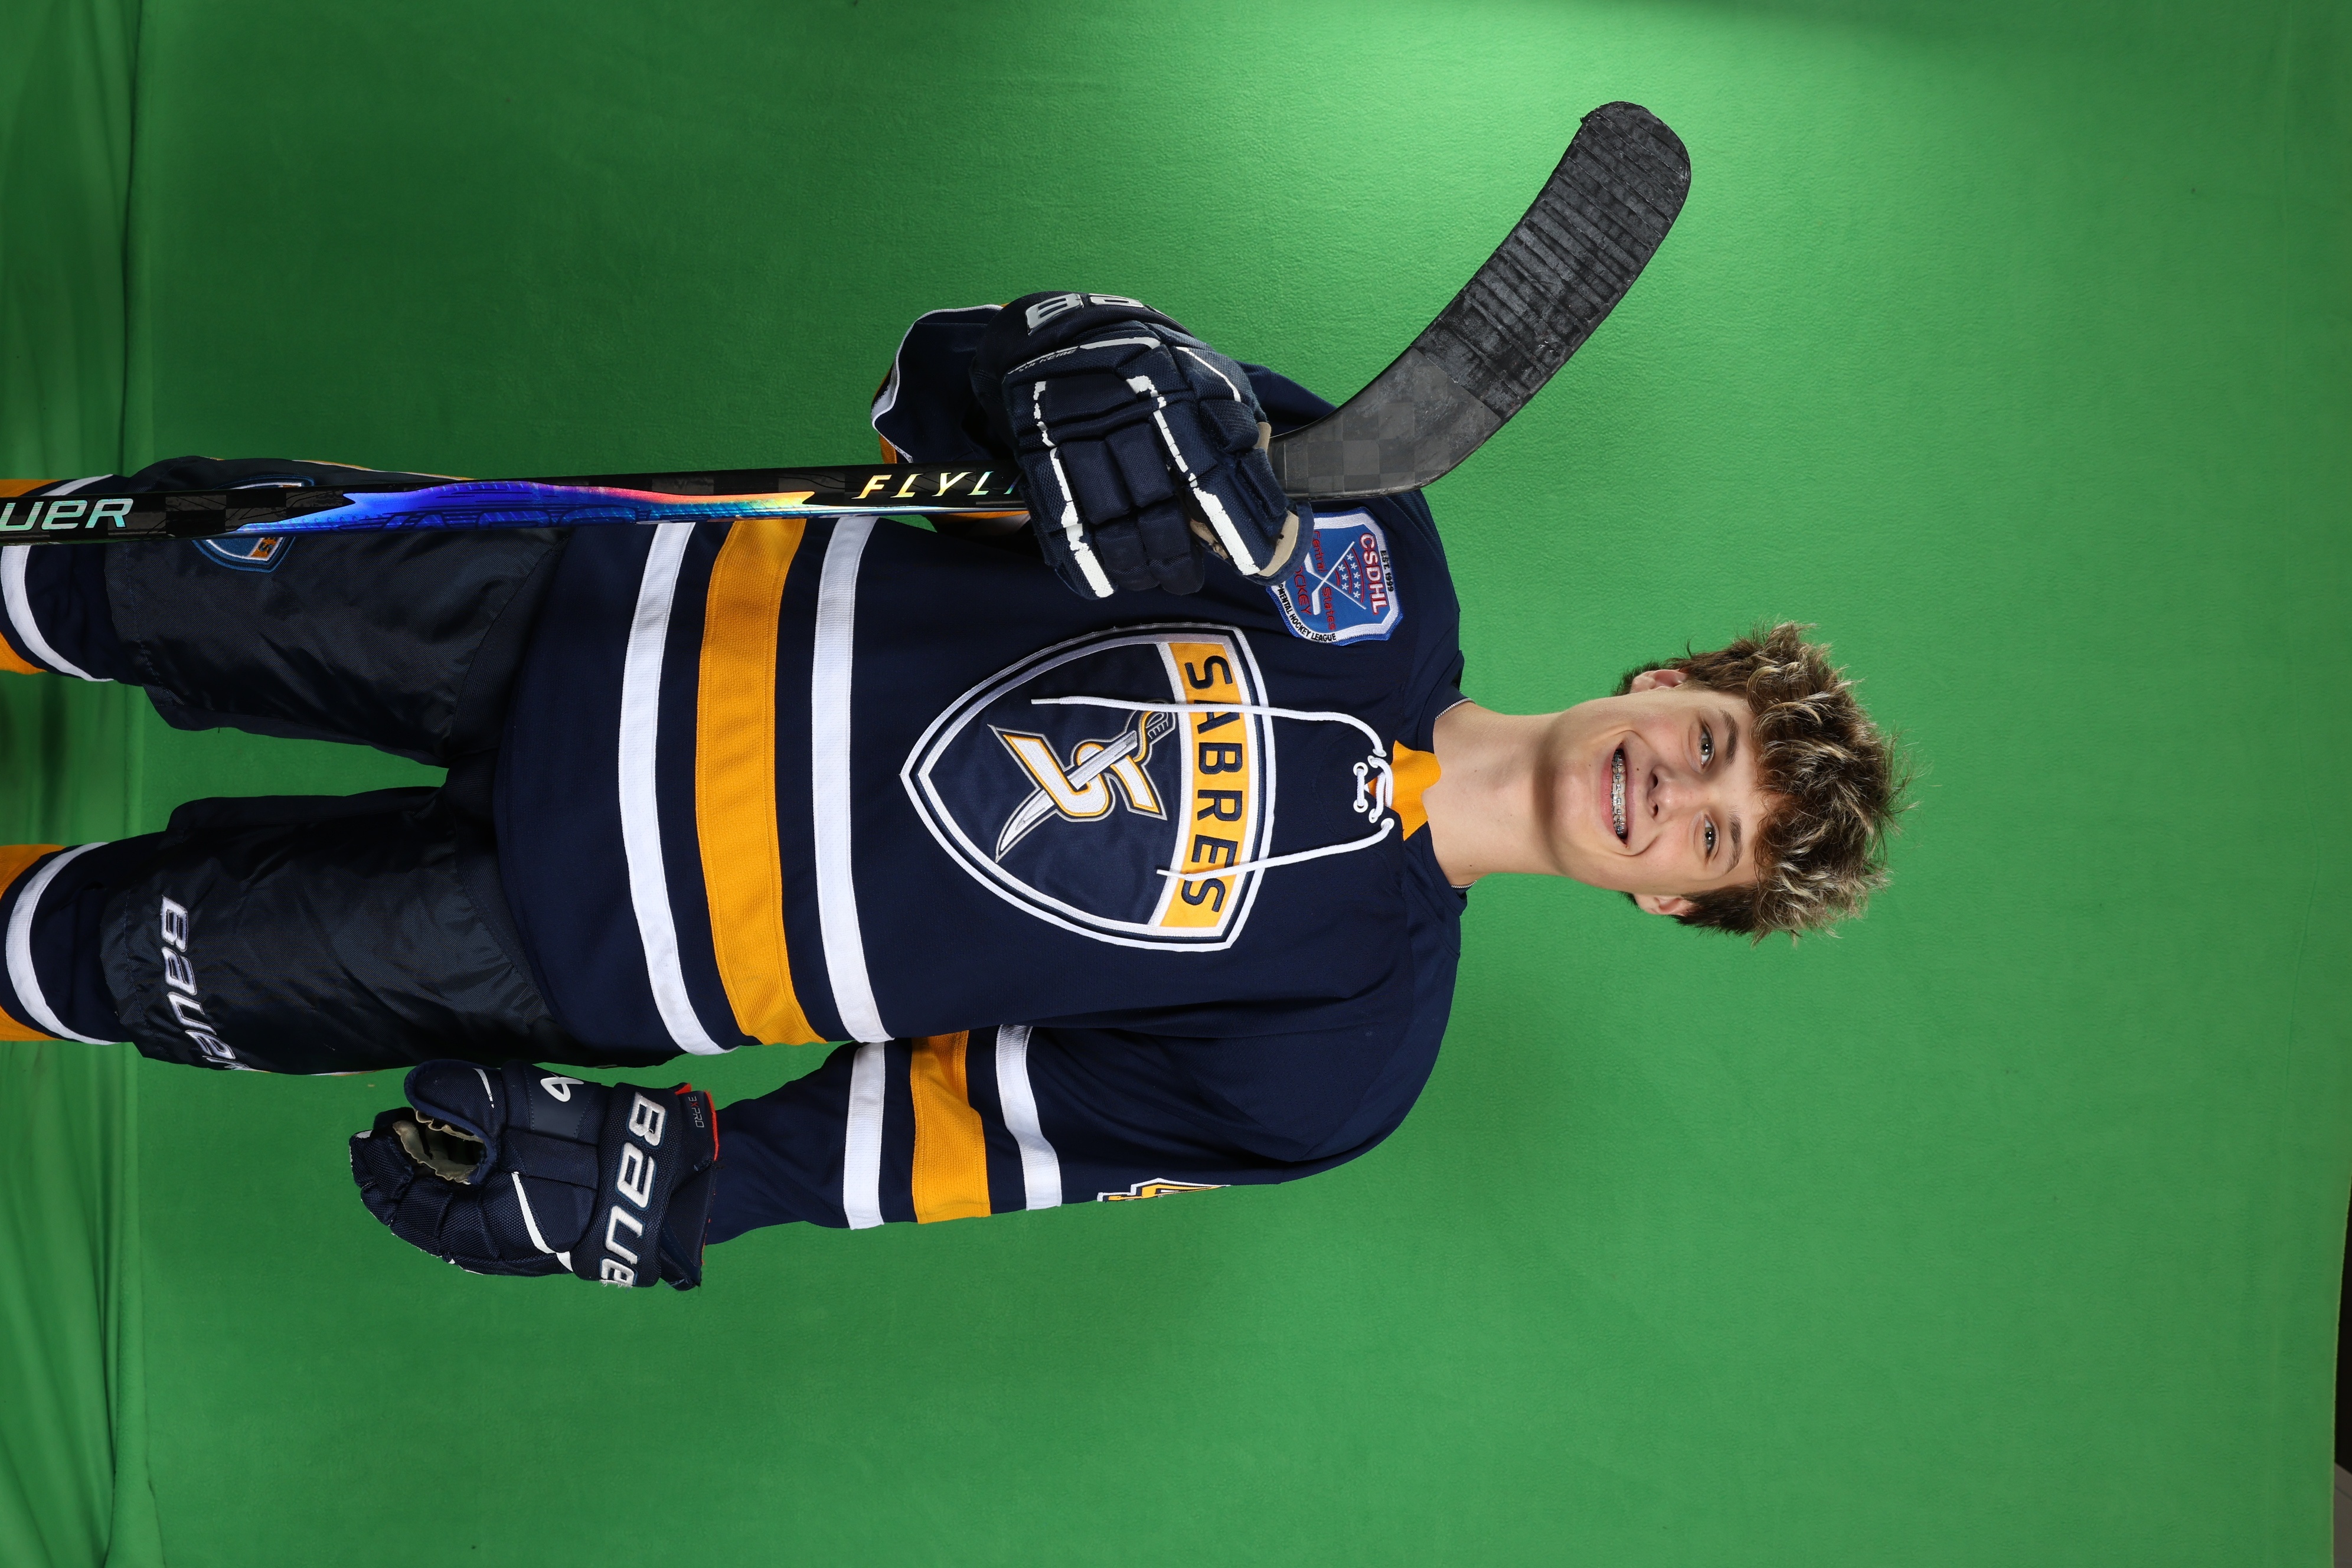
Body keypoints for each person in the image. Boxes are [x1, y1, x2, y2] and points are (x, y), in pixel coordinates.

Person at [0, 295, 1905, 1287]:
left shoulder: (1351, 1058)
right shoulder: (1368, 534)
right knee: (116, 567)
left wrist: (698, 1190)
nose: (1675, 791)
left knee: (98, 959)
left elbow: (978, 1132)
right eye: (1713, 741)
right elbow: (936, 396)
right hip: (593, 606)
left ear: (1676, 901)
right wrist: (1072, 365)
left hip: (593, 944)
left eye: (1714, 839)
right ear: (1668, 683)